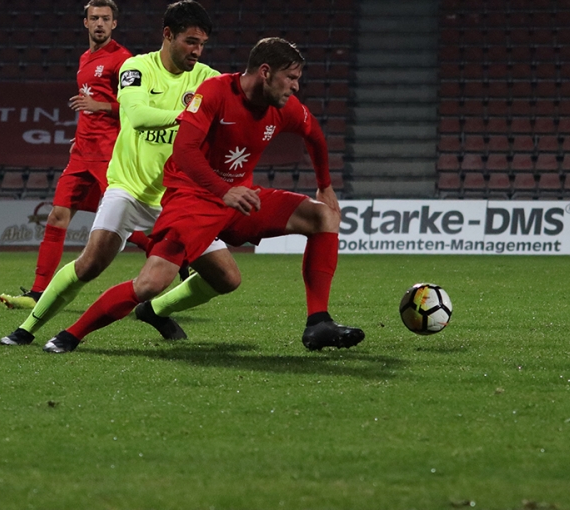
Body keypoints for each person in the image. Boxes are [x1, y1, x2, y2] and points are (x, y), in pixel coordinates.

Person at [41, 37, 364, 353]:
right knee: (152, 283)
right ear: (265, 72)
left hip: (238, 198)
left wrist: (325, 186)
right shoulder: (215, 92)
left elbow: (314, 134)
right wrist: (223, 190)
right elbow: (184, 150)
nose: (296, 86)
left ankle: (318, 323)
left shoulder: (284, 107)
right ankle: (71, 335)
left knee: (322, 215)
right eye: (291, 77)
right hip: (192, 199)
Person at [0, 0, 232, 346]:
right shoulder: (136, 67)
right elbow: (135, 115)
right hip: (130, 189)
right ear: (168, 35)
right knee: (90, 264)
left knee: (226, 277)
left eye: (202, 44)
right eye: (190, 42)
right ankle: (26, 329)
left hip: (180, 198)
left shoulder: (208, 78)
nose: (197, 51)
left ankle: (155, 310)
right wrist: (189, 117)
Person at [0, 0, 147, 308]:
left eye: (105, 19)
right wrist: (79, 137)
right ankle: (38, 293)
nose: (99, 24)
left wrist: (100, 106)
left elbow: (136, 108)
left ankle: (177, 254)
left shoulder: (124, 60)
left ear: (114, 23)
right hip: (82, 152)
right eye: (94, 18)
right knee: (58, 215)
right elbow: (88, 109)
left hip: (109, 153)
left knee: (123, 222)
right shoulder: (83, 58)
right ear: (86, 22)